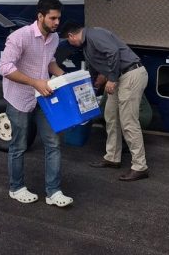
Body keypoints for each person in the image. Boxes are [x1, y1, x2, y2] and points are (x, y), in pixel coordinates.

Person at [0, 0, 73, 208]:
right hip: (19, 98)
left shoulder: (55, 38)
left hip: (44, 97)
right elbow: (4, 68)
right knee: (19, 145)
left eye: (59, 18)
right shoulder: (20, 37)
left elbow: (48, 61)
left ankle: (54, 192)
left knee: (53, 143)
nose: (57, 22)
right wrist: (35, 83)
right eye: (53, 18)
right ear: (40, 16)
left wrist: (64, 77)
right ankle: (16, 188)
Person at [61, 21, 149, 181]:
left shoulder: (94, 34)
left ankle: (140, 166)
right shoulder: (87, 45)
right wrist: (92, 90)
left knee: (129, 122)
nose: (71, 44)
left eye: (69, 41)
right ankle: (112, 157)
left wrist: (112, 79)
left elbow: (113, 52)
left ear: (71, 36)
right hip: (119, 77)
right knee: (110, 116)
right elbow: (94, 69)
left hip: (130, 74)